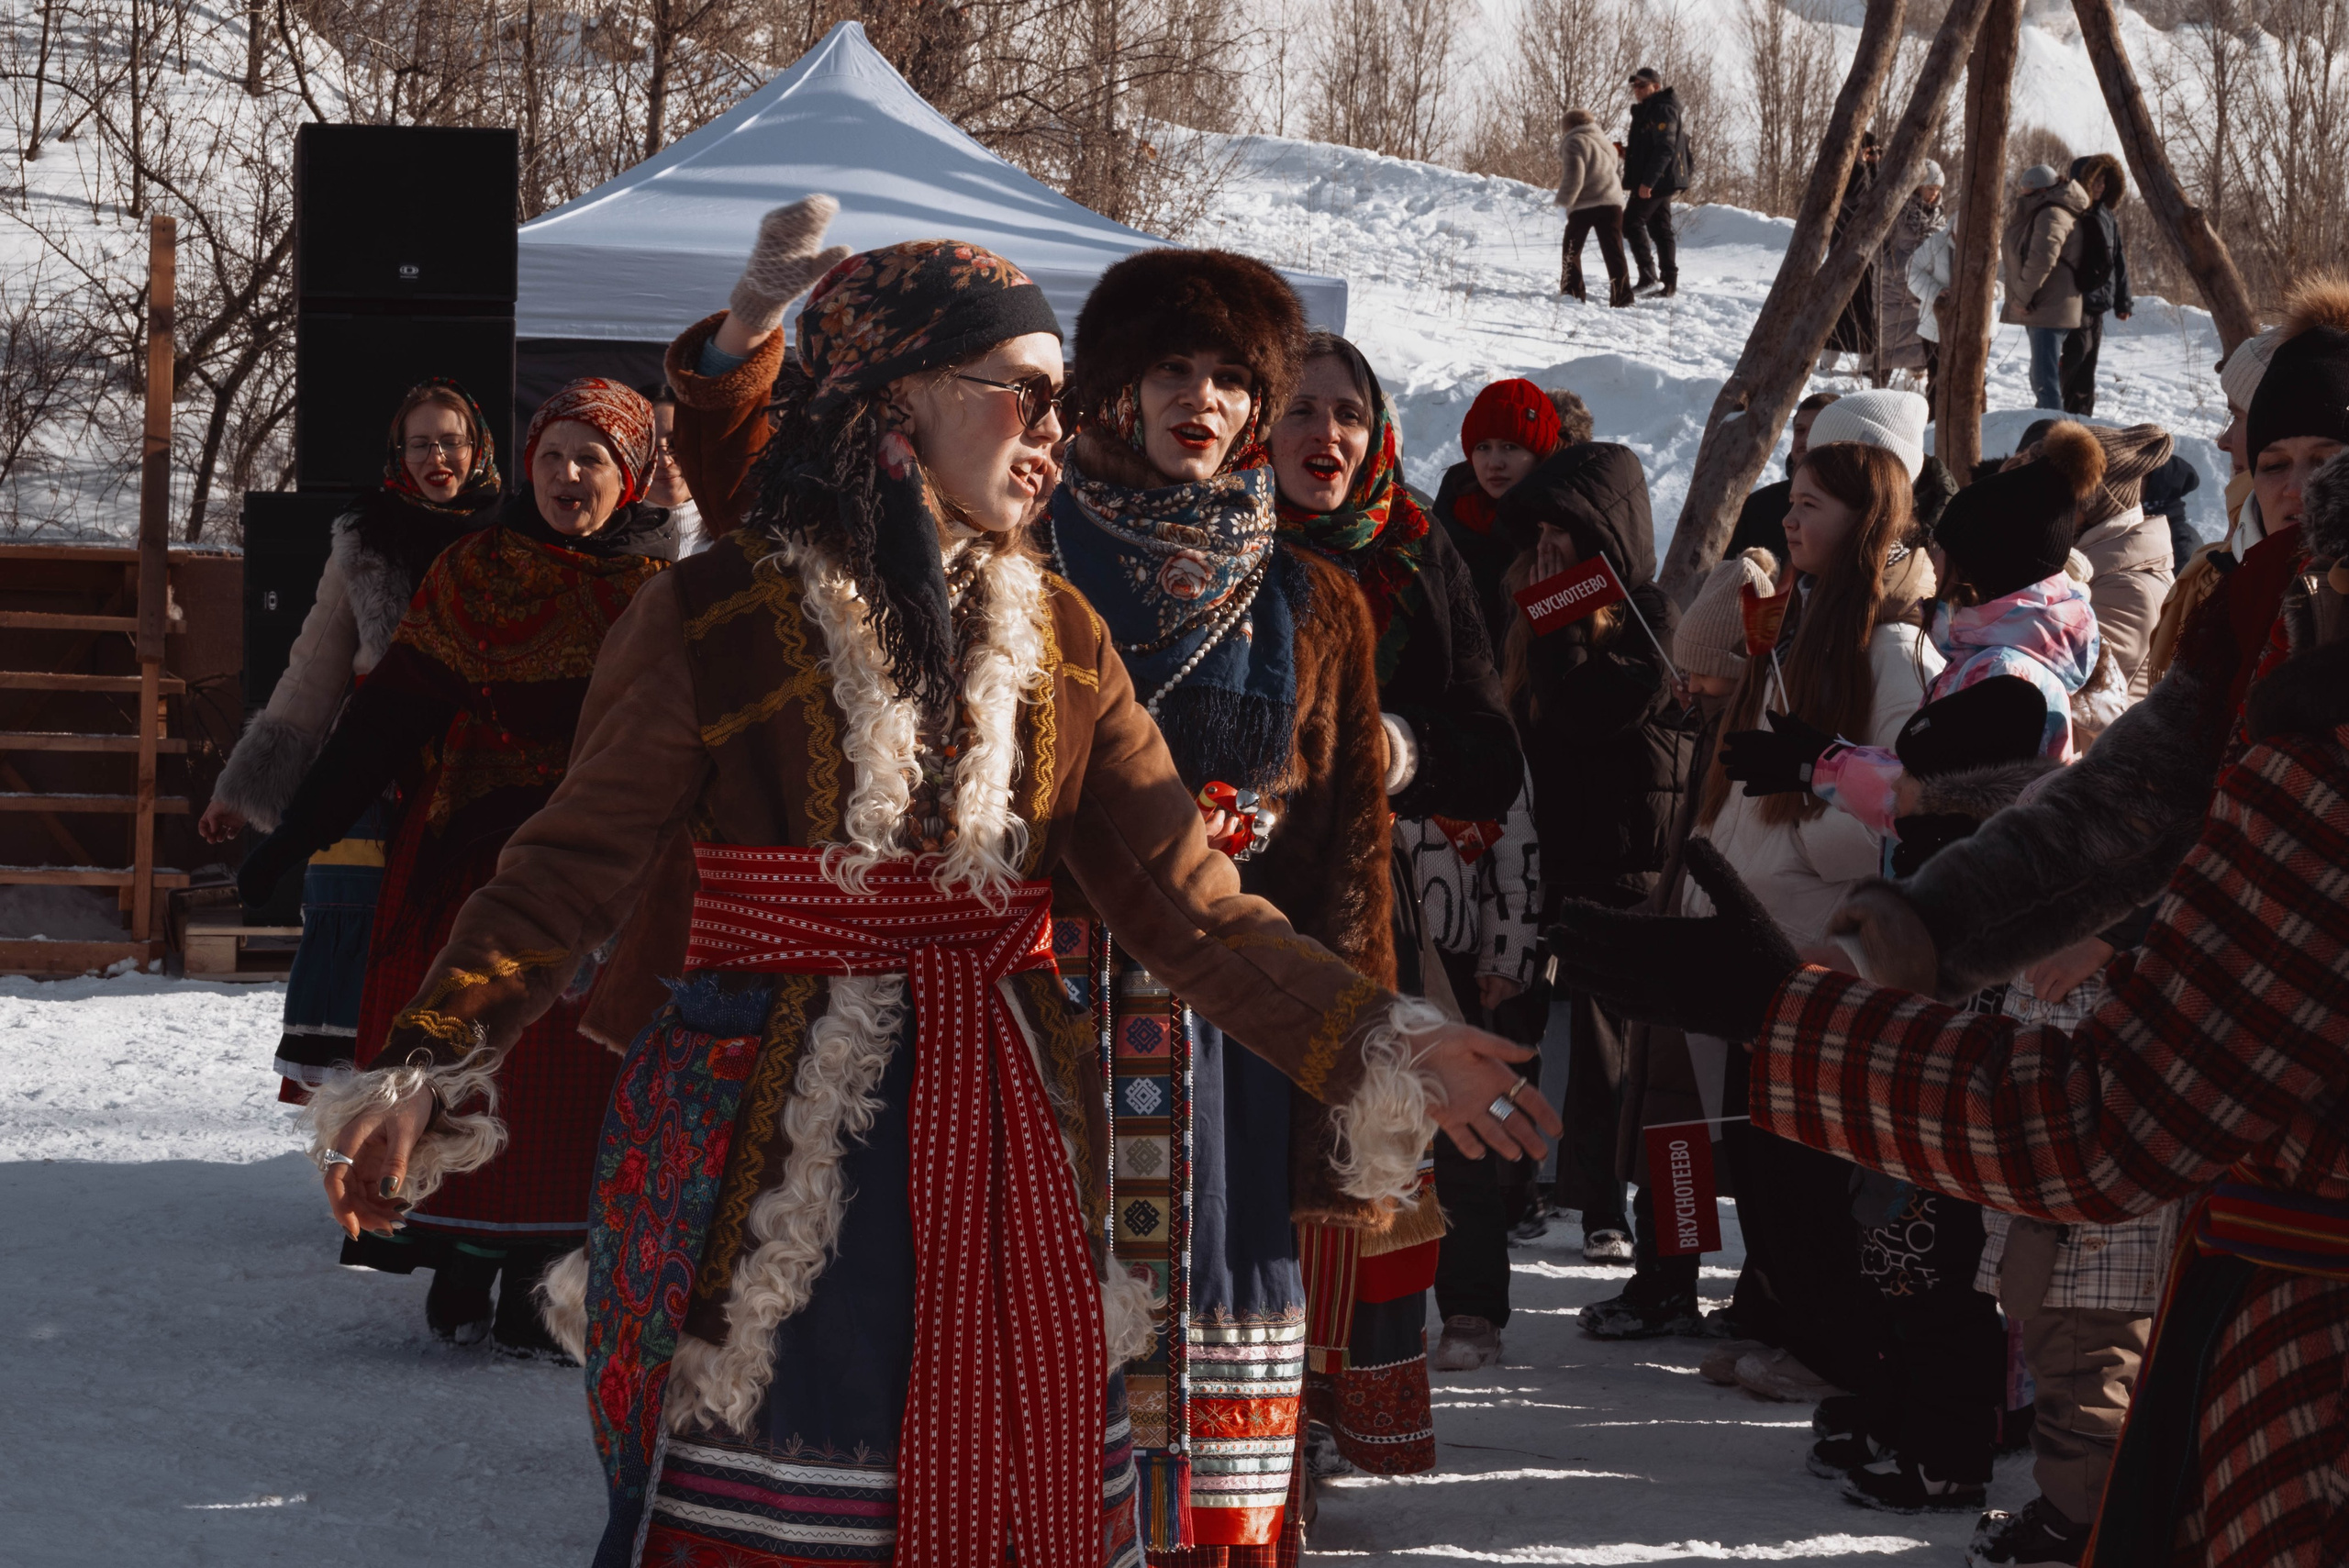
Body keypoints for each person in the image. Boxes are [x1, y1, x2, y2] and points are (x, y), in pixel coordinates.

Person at [298, 200, 1563, 1568]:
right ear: (897, 398)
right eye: (1022, 393)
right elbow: (562, 872)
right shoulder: (716, 617)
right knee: (775, 1504)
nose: (1053, 428)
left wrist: (1388, 1036)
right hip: (764, 1140)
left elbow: (1191, 908)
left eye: (1060, 397)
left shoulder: (1064, 634)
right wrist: (424, 1059)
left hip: (1006, 1131)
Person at [1548, 453, 2349, 1566]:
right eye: (2280, 461)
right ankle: (1745, 1313)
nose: (2299, 497)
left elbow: (2103, 1115)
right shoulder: (2276, 616)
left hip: (2301, 1343)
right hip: (1838, 975)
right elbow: (2115, 802)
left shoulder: (1953, 658)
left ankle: (1932, 1426)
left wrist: (1805, 973)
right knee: (1823, 1215)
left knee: (1949, 1272)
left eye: (2326, 464)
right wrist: (1895, 936)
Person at [1042, 253, 1409, 1561]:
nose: (1200, 399)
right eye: (1172, 371)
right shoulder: (1024, 559)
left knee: (1219, 1349)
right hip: (1043, 1010)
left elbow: (1345, 861)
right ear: (1119, 388)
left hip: (1233, 1032)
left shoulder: (1316, 602)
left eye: (1231, 378)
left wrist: (1353, 1097)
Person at [235, 378, 674, 1356]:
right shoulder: (476, 570)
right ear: (525, 464)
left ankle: (550, 1269)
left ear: (631, 476)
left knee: (574, 1079)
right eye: (553, 455)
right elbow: (383, 719)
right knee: (470, 1063)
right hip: (471, 864)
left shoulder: (659, 599)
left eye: (592, 458)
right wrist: (288, 837)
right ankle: (465, 1252)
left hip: (600, 878)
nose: (569, 475)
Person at [1270, 329, 1527, 1467]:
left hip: (1369, 903)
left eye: (1348, 414)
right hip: (1217, 902)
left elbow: (1491, 749)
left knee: (1356, 1163)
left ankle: (1317, 1413)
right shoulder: (1202, 543)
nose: (1326, 433)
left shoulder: (1418, 554)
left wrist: (1394, 744)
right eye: (1300, 409)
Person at [201, 381, 503, 1101]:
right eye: (421, 442)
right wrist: (241, 790)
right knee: (357, 947)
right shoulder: (366, 539)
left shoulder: (509, 537)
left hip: (475, 775)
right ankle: (352, 1161)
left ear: (479, 447)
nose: (439, 456)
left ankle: (441, 1158)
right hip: (368, 778)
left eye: (452, 440)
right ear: (397, 453)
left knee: (459, 953)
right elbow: (312, 671)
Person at [1496, 440, 1703, 1284]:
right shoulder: (1533, 614)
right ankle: (1515, 1190)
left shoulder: (1651, 614)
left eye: (1565, 536)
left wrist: (1553, 607)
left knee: (1610, 1050)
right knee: (1515, 1027)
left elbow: (1585, 710)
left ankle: (1602, 1204)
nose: (1546, 553)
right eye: (1537, 536)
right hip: (1543, 855)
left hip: (1626, 864)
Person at [1577, 544, 1775, 1339]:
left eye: (1702, 672)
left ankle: (1738, 1282)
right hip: (1678, 936)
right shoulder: (1702, 720)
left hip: (1720, 945)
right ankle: (1666, 1275)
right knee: (1671, 1126)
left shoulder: (1750, 731)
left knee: (1719, 1134)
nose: (1685, 685)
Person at [1433, 378, 1565, 640]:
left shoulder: (1562, 529)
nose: (1494, 463)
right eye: (1483, 447)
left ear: (1540, 453)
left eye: (1510, 447)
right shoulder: (1446, 520)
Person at [1999, 163, 2093, 411]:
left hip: (2047, 308)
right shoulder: (2053, 210)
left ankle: (2050, 435)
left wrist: (2020, 298)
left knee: (2045, 381)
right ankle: (2047, 428)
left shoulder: (2051, 214)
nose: (2020, 192)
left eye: (2023, 188)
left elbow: (2041, 260)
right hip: (2050, 306)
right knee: (2042, 378)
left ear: (2036, 189)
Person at [1723, 392, 1839, 562]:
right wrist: (1759, 589)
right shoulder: (1759, 507)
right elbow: (1734, 580)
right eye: (1800, 430)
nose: (1805, 439)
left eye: (1817, 430)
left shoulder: (1855, 507)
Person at [2059, 154, 2132, 417]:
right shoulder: (2074, 211)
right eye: (2095, 180)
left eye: (2104, 181)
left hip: (2099, 304)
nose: (2100, 185)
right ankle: (2061, 410)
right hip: (2076, 300)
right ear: (2083, 181)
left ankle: (2083, 416)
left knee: (2089, 363)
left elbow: (2118, 261)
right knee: (2075, 357)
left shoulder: (2108, 216)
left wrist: (2124, 301)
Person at [1623, 67, 1690, 298]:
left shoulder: (1663, 108)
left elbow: (1665, 148)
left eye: (1642, 85)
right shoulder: (1650, 110)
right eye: (1635, 86)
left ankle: (1649, 277)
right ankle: (1668, 285)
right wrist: (1625, 153)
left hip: (1660, 179)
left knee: (1631, 222)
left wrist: (1648, 182)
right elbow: (1649, 147)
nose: (1637, 90)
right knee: (1660, 229)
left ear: (1656, 86)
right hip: (1661, 177)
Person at [1877, 161, 1946, 386]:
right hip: (1893, 287)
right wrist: (1892, 268)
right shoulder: (1896, 211)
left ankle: (1915, 391)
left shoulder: (1939, 216)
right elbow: (1875, 244)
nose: (1933, 195)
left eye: (1937, 190)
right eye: (1929, 189)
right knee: (1889, 342)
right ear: (1917, 187)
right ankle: (1879, 388)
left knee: (1922, 344)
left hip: (1924, 286)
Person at [1555, 107, 1631, 307]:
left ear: (1569, 126)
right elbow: (1612, 167)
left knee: (1572, 249)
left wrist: (1564, 202)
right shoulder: (1605, 142)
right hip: (1613, 203)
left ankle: (1572, 292)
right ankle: (1623, 297)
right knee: (1614, 251)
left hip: (1586, 203)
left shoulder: (1574, 141)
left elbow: (1574, 175)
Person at [1824, 133, 1884, 376]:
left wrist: (1872, 165)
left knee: (1869, 308)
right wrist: (1859, 165)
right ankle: (1827, 361)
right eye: (1870, 152)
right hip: (1844, 248)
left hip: (1871, 253)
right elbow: (1854, 198)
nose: (1875, 157)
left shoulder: (1877, 174)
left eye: (1878, 152)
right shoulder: (1846, 172)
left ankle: (1867, 363)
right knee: (1838, 307)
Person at [638, 381, 706, 555]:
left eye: (676, 443)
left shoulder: (742, 536)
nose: (664, 461)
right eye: (648, 447)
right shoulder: (612, 549)